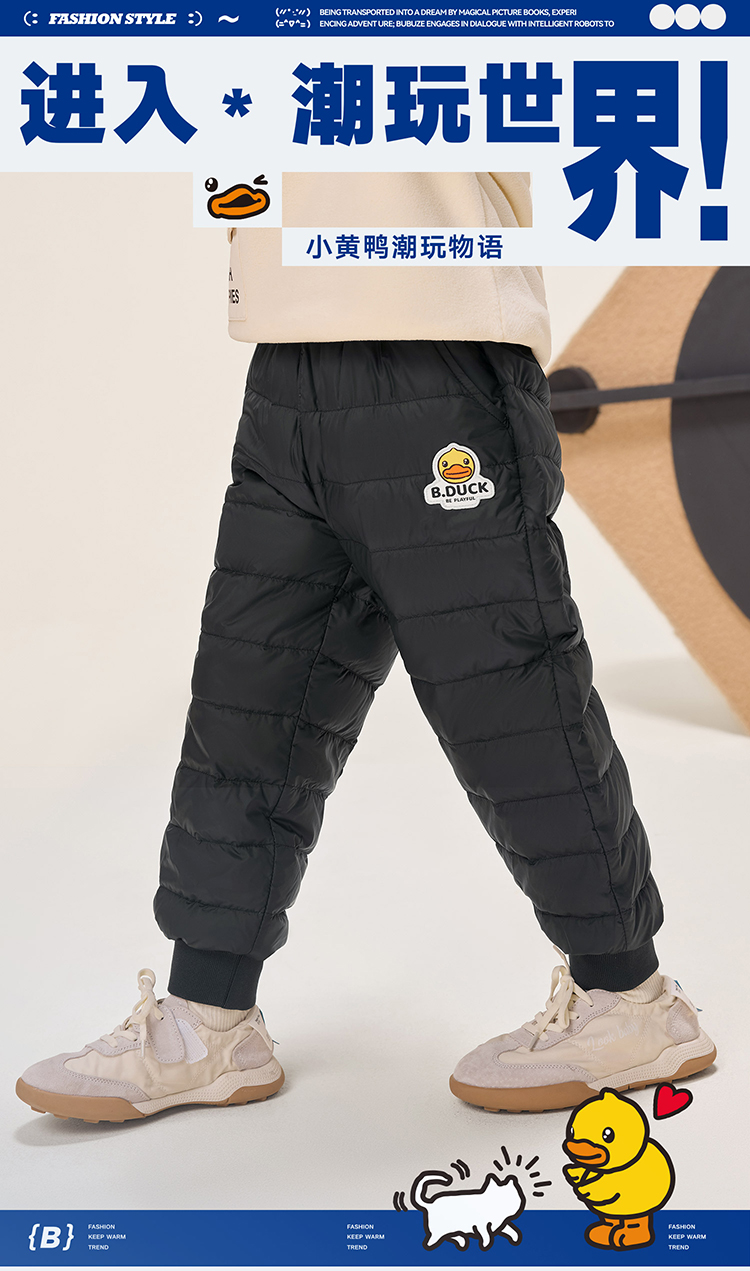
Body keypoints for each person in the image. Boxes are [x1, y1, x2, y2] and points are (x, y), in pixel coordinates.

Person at [15, 174, 716, 1123]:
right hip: (287, 366)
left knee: (507, 697)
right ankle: (207, 1020)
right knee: (250, 697)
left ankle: (631, 1000)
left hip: (438, 352)